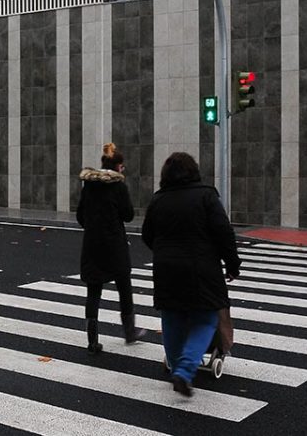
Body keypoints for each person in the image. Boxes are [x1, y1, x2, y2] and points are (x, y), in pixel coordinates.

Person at [141, 152, 240, 397]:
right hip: (202, 268)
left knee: (172, 318)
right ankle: (185, 370)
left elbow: (147, 234)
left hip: (166, 268)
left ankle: (176, 365)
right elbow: (223, 233)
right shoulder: (206, 195)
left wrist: (165, 252)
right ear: (193, 171)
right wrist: (232, 264)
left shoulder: (158, 200)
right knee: (206, 318)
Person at [77, 143, 146, 355]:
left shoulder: (88, 186)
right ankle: (129, 331)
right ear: (118, 166)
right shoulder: (119, 186)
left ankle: (92, 339)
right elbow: (128, 215)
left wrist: (93, 226)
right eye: (122, 167)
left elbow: (81, 215)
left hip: (92, 244)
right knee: (124, 286)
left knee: (93, 289)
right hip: (114, 244)